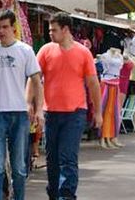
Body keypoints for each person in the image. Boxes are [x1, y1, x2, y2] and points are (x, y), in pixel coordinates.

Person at [0, 9, 44, 200]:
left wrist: (39, 110)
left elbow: (36, 81)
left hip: (20, 115)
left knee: (19, 168)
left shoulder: (25, 51)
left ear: (14, 28)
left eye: (5, 27)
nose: (1, 31)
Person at [36, 12, 103, 200]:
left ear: (65, 30)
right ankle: (54, 194)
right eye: (50, 30)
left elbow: (93, 83)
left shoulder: (83, 52)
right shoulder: (45, 51)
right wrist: (32, 105)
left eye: (54, 30)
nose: (50, 33)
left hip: (75, 113)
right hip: (50, 113)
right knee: (52, 159)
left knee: (68, 158)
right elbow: (34, 79)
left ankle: (67, 196)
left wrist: (97, 112)